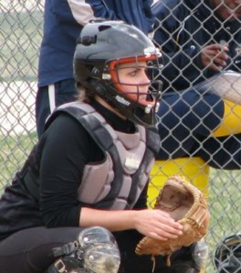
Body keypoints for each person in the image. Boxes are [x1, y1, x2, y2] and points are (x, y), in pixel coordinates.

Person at [0, 21, 188, 273]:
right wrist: (135, 219)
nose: (146, 81)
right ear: (101, 78)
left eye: (145, 70)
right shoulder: (71, 127)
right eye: (133, 73)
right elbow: (58, 215)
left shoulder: (144, 130)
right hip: (21, 238)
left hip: (92, 236)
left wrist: (164, 225)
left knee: (180, 248)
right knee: (93, 249)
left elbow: (133, 206)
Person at [148, 0, 241, 202]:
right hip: (166, 113)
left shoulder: (237, 19)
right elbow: (142, 70)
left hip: (215, 127)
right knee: (199, 107)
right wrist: (193, 59)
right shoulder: (170, 10)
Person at [36, 0, 154, 138]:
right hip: (73, 73)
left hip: (129, 72)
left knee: (121, 146)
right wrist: (132, 39)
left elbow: (146, 10)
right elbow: (80, 8)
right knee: (67, 141)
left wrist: (140, 39)